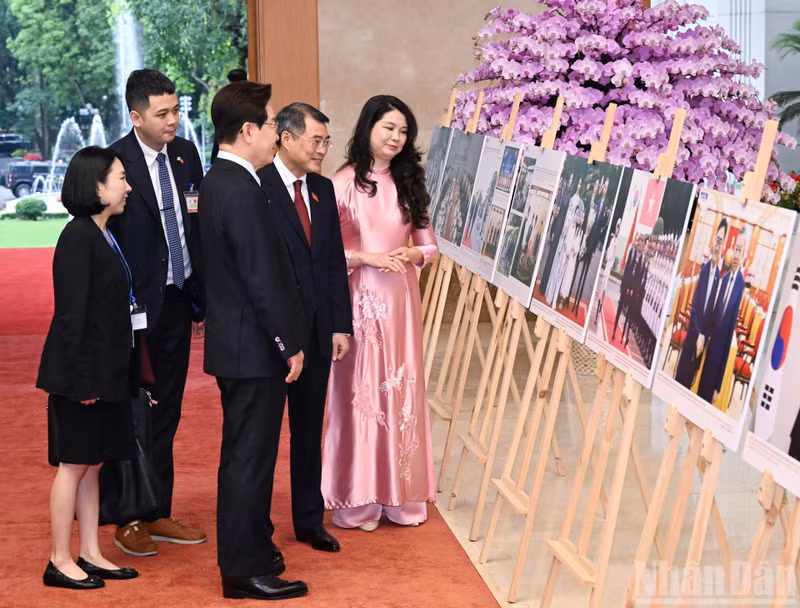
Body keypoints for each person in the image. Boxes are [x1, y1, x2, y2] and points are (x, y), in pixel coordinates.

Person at [200, 81, 308, 600]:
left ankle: (253, 549)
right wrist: (288, 342)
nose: (274, 135)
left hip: (239, 344)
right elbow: (258, 276)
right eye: (269, 126)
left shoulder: (223, 180)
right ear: (247, 131)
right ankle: (243, 570)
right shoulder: (239, 187)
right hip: (252, 348)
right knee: (248, 460)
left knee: (245, 458)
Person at [321, 95, 438, 531]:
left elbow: (430, 247)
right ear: (368, 127)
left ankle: (401, 496)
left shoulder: (411, 182)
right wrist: (367, 258)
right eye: (388, 127)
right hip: (359, 300)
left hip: (401, 300)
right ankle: (359, 498)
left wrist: (414, 253)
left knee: (402, 391)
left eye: (403, 131)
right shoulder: (343, 183)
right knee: (363, 393)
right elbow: (327, 252)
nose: (395, 137)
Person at [109, 69, 206, 556]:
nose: (173, 121)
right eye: (162, 113)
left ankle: (157, 510)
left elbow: (198, 225)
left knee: (168, 410)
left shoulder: (186, 155)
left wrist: (203, 295)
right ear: (136, 115)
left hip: (176, 303)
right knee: (132, 414)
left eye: (176, 110)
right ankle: (126, 516)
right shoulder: (115, 162)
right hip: (133, 312)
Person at [37, 147, 140, 589]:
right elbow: (72, 316)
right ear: (96, 187)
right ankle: (59, 559)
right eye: (120, 178)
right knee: (74, 464)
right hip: (82, 375)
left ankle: (90, 552)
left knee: (93, 464)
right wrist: (84, 381)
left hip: (105, 371)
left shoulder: (103, 233)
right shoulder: (78, 237)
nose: (128, 186)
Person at [256, 102, 352, 553]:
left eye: (326, 141)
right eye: (316, 140)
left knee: (308, 430)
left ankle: (309, 520)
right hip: (273, 337)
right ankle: (257, 528)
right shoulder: (258, 186)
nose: (322, 149)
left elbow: (332, 263)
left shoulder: (322, 189)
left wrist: (339, 325)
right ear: (287, 138)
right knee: (264, 434)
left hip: (317, 333)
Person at [698, 225, 747, 406]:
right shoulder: (725, 278)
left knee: (708, 396)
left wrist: (719, 386)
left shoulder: (740, 284)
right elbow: (715, 312)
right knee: (699, 391)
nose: (735, 255)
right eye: (735, 249)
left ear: (744, 255)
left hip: (719, 351)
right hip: (710, 345)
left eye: (740, 250)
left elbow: (728, 341)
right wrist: (704, 334)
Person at [674, 219, 727, 388]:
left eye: (721, 242)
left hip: (703, 337)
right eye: (717, 240)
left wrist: (705, 336)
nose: (718, 246)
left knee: (691, 379)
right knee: (681, 377)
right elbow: (695, 307)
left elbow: (715, 314)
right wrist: (698, 335)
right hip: (693, 332)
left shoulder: (720, 277)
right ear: (712, 243)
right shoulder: (704, 270)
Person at [210, 68, 249, 163]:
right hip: (246, 151)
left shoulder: (223, 101)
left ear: (230, 83)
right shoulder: (252, 102)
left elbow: (218, 129)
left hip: (227, 151)